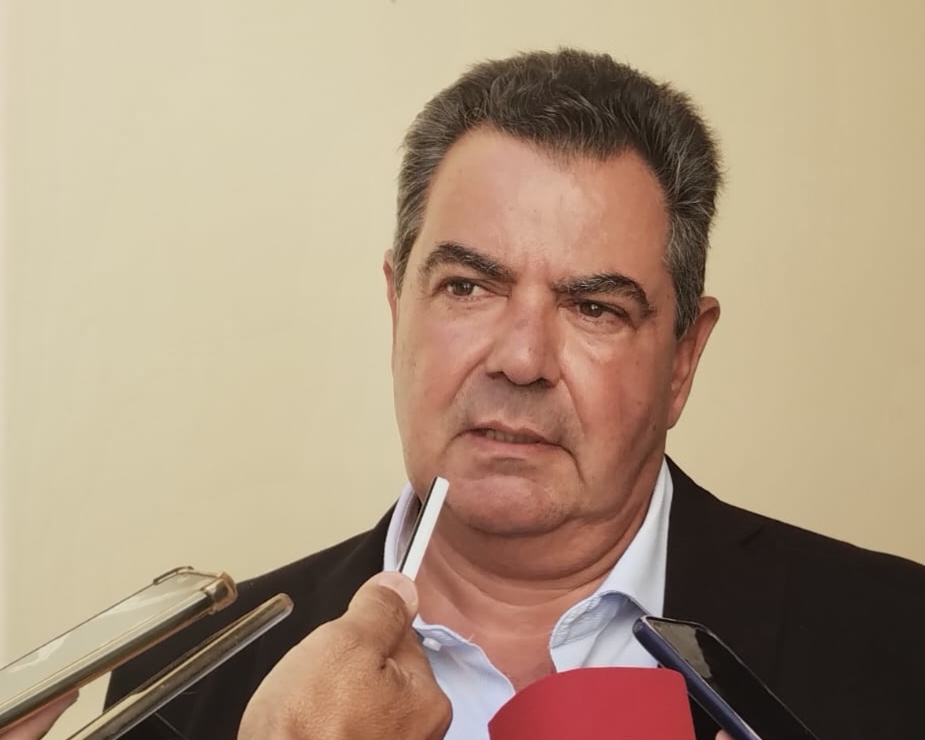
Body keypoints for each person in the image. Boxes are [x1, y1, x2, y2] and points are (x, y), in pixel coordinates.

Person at [95, 47, 925, 740]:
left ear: (683, 357)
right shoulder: (177, 686)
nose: (521, 359)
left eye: (594, 308)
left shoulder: (899, 642)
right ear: (398, 308)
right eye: (467, 288)